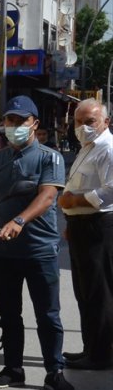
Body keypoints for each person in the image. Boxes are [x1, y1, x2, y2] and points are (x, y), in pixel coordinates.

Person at [0, 96, 74, 390]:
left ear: (34, 124)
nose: (15, 126)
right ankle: (13, 368)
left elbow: (47, 197)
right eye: (10, 121)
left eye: (21, 121)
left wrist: (19, 221)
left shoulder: (50, 157)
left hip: (39, 250)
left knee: (48, 314)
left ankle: (54, 371)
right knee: (8, 313)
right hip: (2, 250)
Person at [57, 99, 112, 370]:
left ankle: (101, 354)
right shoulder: (87, 148)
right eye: (79, 122)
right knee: (85, 292)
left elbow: (110, 190)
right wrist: (71, 221)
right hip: (82, 226)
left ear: (106, 122)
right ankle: (91, 348)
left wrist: (76, 202)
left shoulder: (108, 148)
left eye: (89, 121)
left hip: (98, 227)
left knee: (99, 292)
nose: (83, 127)